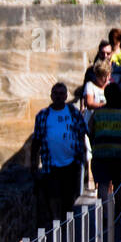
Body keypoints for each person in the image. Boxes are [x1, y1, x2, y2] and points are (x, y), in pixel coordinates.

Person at [32, 82, 88, 229]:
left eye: (61, 93)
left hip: (72, 162)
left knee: (70, 194)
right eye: (55, 93)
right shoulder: (43, 116)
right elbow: (36, 140)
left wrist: (84, 156)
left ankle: (65, 218)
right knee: (53, 194)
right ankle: (57, 220)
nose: (58, 96)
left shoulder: (73, 113)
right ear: (51, 96)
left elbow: (82, 133)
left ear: (66, 96)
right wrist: (33, 163)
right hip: (51, 163)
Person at [87, 84, 121, 222]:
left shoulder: (97, 113)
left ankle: (106, 215)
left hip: (101, 153)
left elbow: (90, 130)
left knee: (103, 185)